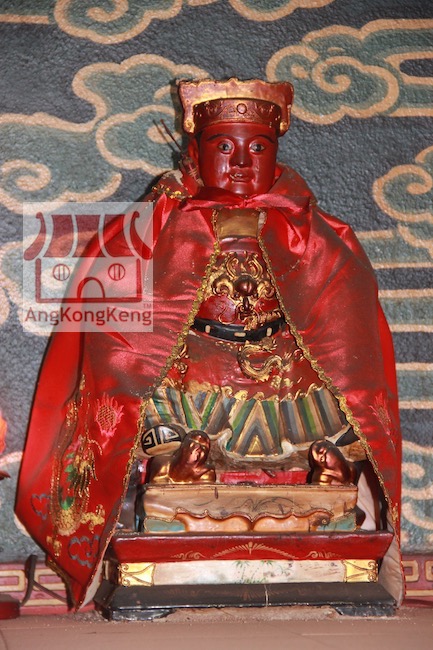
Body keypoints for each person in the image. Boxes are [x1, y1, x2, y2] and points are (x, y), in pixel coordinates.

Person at [16, 78, 403, 608]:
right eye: (224, 146)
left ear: (276, 151)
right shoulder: (157, 221)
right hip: (191, 368)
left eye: (257, 147)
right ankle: (174, 472)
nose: (241, 161)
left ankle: (327, 479)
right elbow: (113, 321)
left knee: (339, 402)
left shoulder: (314, 228)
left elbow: (347, 323)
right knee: (148, 399)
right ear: (196, 148)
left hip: (283, 370)